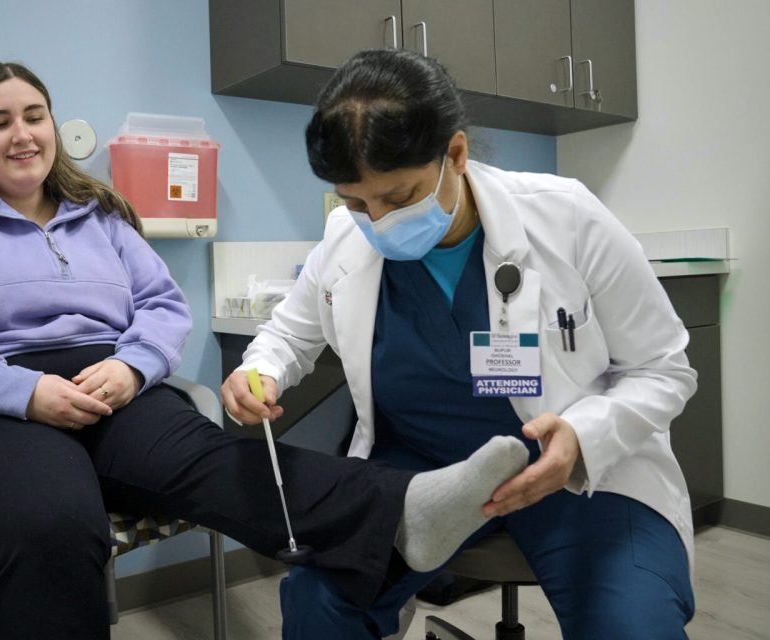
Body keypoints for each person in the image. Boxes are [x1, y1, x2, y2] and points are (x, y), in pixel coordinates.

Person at [0, 61, 533, 640]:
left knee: (221, 461)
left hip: (107, 380)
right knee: (53, 524)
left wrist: (132, 366)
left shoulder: (101, 216)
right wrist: (21, 391)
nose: (23, 133)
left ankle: (407, 508)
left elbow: (162, 307)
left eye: (35, 115)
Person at [222, 48, 697, 640]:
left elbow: (663, 370)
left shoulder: (566, 217)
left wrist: (584, 437)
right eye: (355, 202)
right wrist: (259, 371)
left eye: (397, 197)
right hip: (420, 479)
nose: (377, 221)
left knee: (632, 626)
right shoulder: (347, 241)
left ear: (455, 153)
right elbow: (288, 335)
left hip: (577, 472)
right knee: (320, 602)